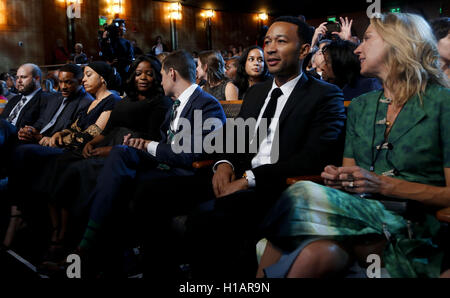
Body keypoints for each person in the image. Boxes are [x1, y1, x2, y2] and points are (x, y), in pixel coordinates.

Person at [258, 12, 450, 278]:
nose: (357, 48)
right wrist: (338, 178)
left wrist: (383, 184)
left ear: (399, 43)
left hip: (415, 222)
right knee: (314, 255)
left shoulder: (442, 103)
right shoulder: (362, 106)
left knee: (300, 194)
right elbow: (350, 179)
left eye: (368, 38)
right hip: (359, 218)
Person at [185, 16, 346, 278]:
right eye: (268, 41)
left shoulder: (324, 95)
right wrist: (223, 164)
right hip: (237, 175)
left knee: (205, 219)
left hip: (276, 186)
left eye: (281, 41)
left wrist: (249, 179)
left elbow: (313, 158)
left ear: (305, 50)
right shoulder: (258, 92)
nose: (270, 48)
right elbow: (234, 139)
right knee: (155, 190)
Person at [63, 50, 226, 277]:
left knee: (125, 186)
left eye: (160, 75)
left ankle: (91, 249)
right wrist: (139, 144)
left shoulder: (207, 105)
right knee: (120, 152)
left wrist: (148, 145)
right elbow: (164, 144)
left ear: (172, 73)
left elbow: (192, 154)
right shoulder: (176, 104)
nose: (160, 80)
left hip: (188, 175)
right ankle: (97, 251)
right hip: (165, 166)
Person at [39, 55, 171, 262]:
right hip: (109, 144)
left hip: (132, 151)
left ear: (157, 76)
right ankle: (65, 237)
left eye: (149, 73)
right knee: (63, 166)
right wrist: (91, 143)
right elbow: (108, 129)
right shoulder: (127, 99)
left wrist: (109, 149)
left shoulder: (160, 102)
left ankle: (88, 246)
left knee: (82, 171)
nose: (143, 78)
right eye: (138, 73)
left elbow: (151, 138)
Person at [3, 61, 121, 249]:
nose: (84, 80)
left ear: (103, 78)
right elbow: (73, 127)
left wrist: (50, 138)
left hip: (73, 150)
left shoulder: (106, 100)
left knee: (28, 153)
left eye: (88, 75)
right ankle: (43, 224)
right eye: (84, 75)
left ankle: (52, 230)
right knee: (16, 145)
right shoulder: (87, 101)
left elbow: (91, 133)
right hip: (61, 144)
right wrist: (50, 133)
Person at [16, 64, 93, 147]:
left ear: (80, 81)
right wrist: (30, 130)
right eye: (60, 82)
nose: (63, 87)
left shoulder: (87, 102)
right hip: (38, 140)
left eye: (68, 82)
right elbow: (42, 121)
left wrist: (43, 137)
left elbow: (74, 133)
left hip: (56, 146)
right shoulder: (54, 97)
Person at [0, 64, 56, 130]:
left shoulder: (46, 100)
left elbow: (40, 126)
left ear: (36, 79)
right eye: (17, 77)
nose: (18, 81)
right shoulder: (14, 99)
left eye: (23, 77)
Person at [99, 19, 134, 91]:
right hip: (111, 75)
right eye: (123, 26)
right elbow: (104, 56)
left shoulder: (126, 43)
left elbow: (130, 59)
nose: (125, 29)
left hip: (122, 73)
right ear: (117, 29)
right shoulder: (107, 42)